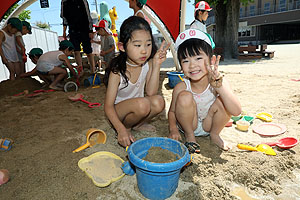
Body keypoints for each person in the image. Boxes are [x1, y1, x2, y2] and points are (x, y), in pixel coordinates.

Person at [168, 29, 241, 152]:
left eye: (198, 58)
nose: (192, 65)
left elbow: (236, 111)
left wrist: (219, 88)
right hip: (189, 124)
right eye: (185, 60)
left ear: (211, 60)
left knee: (223, 100)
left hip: (210, 124)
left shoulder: (220, 81)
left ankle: (215, 135)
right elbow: (172, 112)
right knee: (184, 96)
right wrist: (173, 129)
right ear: (180, 65)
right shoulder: (181, 86)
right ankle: (190, 136)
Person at [104, 16, 170, 148]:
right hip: (119, 114)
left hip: (140, 107)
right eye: (137, 45)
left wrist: (156, 64)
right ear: (122, 47)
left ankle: (138, 124)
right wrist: (120, 129)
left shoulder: (147, 64)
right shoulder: (117, 72)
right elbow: (108, 107)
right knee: (143, 104)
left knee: (158, 102)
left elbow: (151, 92)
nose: (144, 50)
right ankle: (126, 128)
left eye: (148, 44)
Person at [60, 0, 95, 73]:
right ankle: (80, 70)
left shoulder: (83, 1)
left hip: (84, 28)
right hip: (73, 30)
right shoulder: (64, 1)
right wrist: (64, 31)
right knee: (76, 50)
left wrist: (90, 30)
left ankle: (93, 70)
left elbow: (88, 15)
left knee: (88, 51)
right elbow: (64, 17)